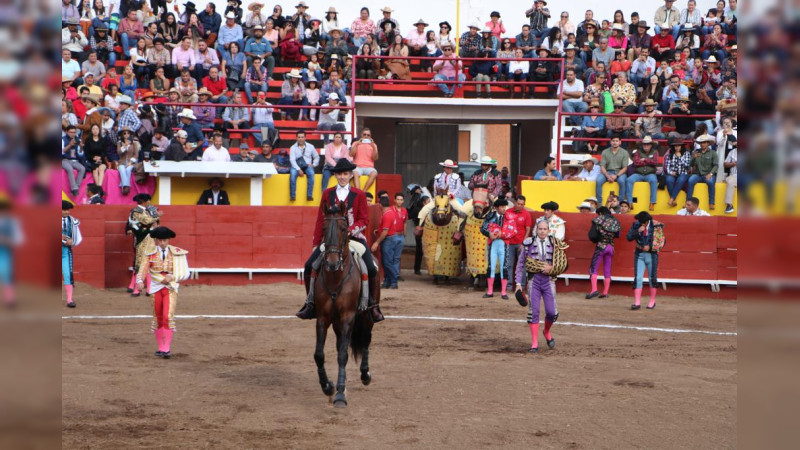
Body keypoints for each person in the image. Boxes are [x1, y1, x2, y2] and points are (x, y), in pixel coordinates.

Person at [296, 158, 385, 322]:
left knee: (371, 267)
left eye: (345, 174)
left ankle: (373, 306)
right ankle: (310, 303)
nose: (342, 177)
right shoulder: (327, 193)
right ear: (335, 175)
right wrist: (316, 243)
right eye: (339, 174)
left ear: (350, 175)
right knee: (309, 265)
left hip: (355, 238)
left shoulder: (359, 194)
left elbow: (364, 220)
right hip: (331, 241)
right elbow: (320, 220)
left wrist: (349, 231)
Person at [136, 226, 191, 359]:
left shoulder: (178, 253)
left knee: (167, 317)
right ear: (156, 240)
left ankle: (166, 349)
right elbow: (143, 269)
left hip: (170, 288)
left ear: (169, 240)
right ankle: (161, 347)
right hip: (155, 288)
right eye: (159, 240)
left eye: (164, 240)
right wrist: (140, 281)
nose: (162, 243)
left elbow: (185, 273)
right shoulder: (149, 253)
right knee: (158, 318)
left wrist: (172, 277)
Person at [515, 220, 563, 353]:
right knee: (534, 312)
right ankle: (534, 343)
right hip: (534, 281)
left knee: (552, 312)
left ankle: (546, 332)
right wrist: (518, 283)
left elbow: (561, 264)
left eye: (544, 229)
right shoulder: (528, 244)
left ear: (548, 230)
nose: (542, 231)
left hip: (549, 281)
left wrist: (552, 268)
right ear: (536, 230)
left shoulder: (555, 243)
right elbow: (520, 264)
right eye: (540, 229)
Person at [626, 211, 664, 310]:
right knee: (638, 278)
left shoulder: (656, 225)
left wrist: (650, 247)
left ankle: (652, 301)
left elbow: (662, 242)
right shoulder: (636, 225)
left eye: (644, 222)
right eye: (640, 222)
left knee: (652, 278)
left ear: (648, 220)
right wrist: (637, 231)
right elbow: (628, 237)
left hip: (652, 255)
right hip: (639, 255)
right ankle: (637, 302)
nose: (642, 223)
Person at [586, 206, 620, 299]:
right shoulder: (615, 221)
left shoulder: (598, 219)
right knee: (607, 269)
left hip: (601, 247)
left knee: (594, 268)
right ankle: (605, 292)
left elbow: (592, 235)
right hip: (611, 247)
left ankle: (594, 290)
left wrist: (597, 239)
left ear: (600, 213)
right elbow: (618, 235)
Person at [481, 198, 511, 299]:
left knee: (504, 267)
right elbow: (482, 228)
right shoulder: (490, 216)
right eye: (502, 207)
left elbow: (512, 230)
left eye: (505, 207)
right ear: (496, 208)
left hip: (504, 244)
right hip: (492, 244)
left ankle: (503, 292)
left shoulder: (508, 217)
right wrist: (489, 234)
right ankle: (490, 291)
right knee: (491, 267)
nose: (504, 209)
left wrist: (503, 234)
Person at [372, 196, 399, 289]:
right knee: (386, 261)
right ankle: (388, 281)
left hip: (388, 239)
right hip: (390, 238)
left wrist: (376, 242)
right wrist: (378, 230)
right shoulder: (389, 212)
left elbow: (385, 232)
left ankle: (394, 281)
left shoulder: (387, 215)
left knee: (387, 262)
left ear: (380, 205)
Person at [627, 136, 660, 210]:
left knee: (654, 181)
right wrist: (649, 161)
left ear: (651, 145)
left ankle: (652, 202)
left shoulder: (655, 152)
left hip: (650, 173)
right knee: (629, 180)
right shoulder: (638, 152)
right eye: (644, 144)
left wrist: (644, 159)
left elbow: (655, 163)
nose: (646, 146)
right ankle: (629, 202)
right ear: (642, 145)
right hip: (638, 173)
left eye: (648, 144)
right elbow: (636, 163)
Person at [505, 195, 532, 286]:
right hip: (509, 242)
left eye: (522, 204)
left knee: (522, 265)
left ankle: (521, 285)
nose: (520, 206)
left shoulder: (526, 214)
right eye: (518, 203)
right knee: (509, 265)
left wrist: (523, 243)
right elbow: (505, 226)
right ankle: (509, 285)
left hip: (521, 243)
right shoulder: (508, 212)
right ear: (515, 203)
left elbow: (528, 229)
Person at [687, 134, 718, 210]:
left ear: (708, 143)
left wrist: (710, 174)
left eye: (704, 142)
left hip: (708, 173)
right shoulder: (695, 152)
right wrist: (693, 158)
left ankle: (711, 203)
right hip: (698, 174)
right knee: (690, 181)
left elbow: (716, 165)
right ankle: (688, 202)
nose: (702, 144)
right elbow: (690, 165)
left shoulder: (713, 153)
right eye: (701, 143)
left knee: (710, 182)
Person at [596, 136, 630, 204]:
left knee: (622, 181)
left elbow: (625, 168)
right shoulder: (605, 152)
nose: (615, 142)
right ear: (610, 142)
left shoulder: (624, 152)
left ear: (620, 142)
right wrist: (607, 176)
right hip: (607, 172)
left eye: (616, 141)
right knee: (598, 180)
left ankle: (621, 202)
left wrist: (616, 176)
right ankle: (599, 202)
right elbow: (602, 166)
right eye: (613, 141)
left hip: (619, 173)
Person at [62, 200, 82, 308]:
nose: (66, 212)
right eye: (64, 210)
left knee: (67, 274)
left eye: (68, 210)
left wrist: (72, 242)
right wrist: (64, 240)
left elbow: (77, 237)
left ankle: (69, 299)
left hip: (65, 252)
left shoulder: (73, 221)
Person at [289, 130, 318, 202]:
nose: (300, 139)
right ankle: (292, 196)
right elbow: (292, 160)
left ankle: (309, 195)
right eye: (299, 137)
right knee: (292, 175)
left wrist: (313, 164)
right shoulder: (293, 147)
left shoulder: (311, 146)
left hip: (307, 165)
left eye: (302, 137)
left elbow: (316, 157)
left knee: (311, 173)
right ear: (296, 138)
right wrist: (298, 169)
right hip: (296, 166)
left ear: (305, 138)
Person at [663, 137, 692, 207]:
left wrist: (680, 157)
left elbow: (687, 166)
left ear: (681, 146)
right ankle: (673, 200)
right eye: (675, 146)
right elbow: (667, 167)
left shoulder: (687, 154)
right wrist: (671, 172)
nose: (677, 147)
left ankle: (671, 199)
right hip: (673, 173)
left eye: (679, 145)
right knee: (669, 179)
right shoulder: (670, 154)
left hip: (684, 173)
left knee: (681, 180)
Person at [350, 128, 379, 193]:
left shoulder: (373, 145)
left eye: (368, 135)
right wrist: (357, 144)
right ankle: (358, 192)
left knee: (374, 173)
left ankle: (364, 191)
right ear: (361, 135)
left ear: (370, 136)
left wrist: (373, 147)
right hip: (358, 166)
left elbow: (375, 158)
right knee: (354, 173)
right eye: (364, 134)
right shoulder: (355, 143)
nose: (366, 136)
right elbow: (351, 154)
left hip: (369, 167)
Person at [723, 144, 737, 214]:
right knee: (730, 181)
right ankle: (729, 205)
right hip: (734, 175)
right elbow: (725, 164)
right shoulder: (732, 152)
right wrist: (733, 164)